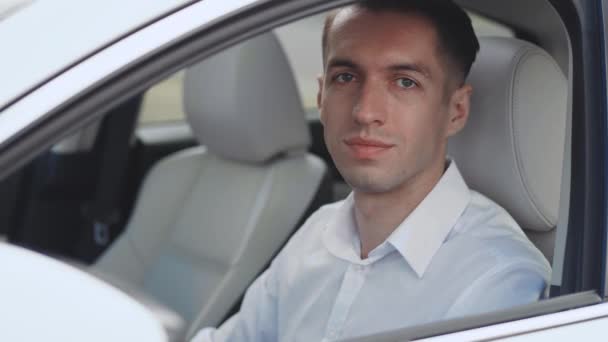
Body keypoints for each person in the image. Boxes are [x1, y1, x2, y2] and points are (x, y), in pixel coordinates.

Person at [192, 0, 551, 340]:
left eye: (405, 82)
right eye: (346, 78)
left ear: (456, 111)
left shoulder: (498, 281)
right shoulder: (317, 234)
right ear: (321, 98)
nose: (365, 111)